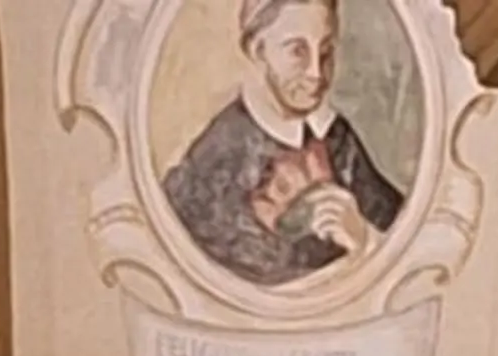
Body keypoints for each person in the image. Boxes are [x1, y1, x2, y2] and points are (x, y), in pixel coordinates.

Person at [162, 0, 405, 289]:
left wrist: (366, 239)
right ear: (258, 50)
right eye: (297, 51)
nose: (316, 72)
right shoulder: (218, 157)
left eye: (326, 51)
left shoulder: (336, 136)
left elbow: (401, 231)